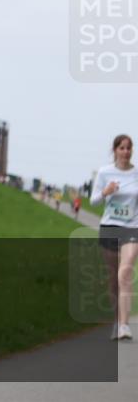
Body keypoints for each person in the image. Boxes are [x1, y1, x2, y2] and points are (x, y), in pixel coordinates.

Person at [90, 134, 137, 340]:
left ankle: (125, 325)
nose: (126, 152)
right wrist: (106, 192)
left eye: (129, 148)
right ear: (115, 151)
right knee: (113, 280)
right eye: (122, 148)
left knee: (125, 273)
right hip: (109, 226)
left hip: (132, 227)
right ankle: (117, 321)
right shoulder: (104, 172)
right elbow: (93, 202)